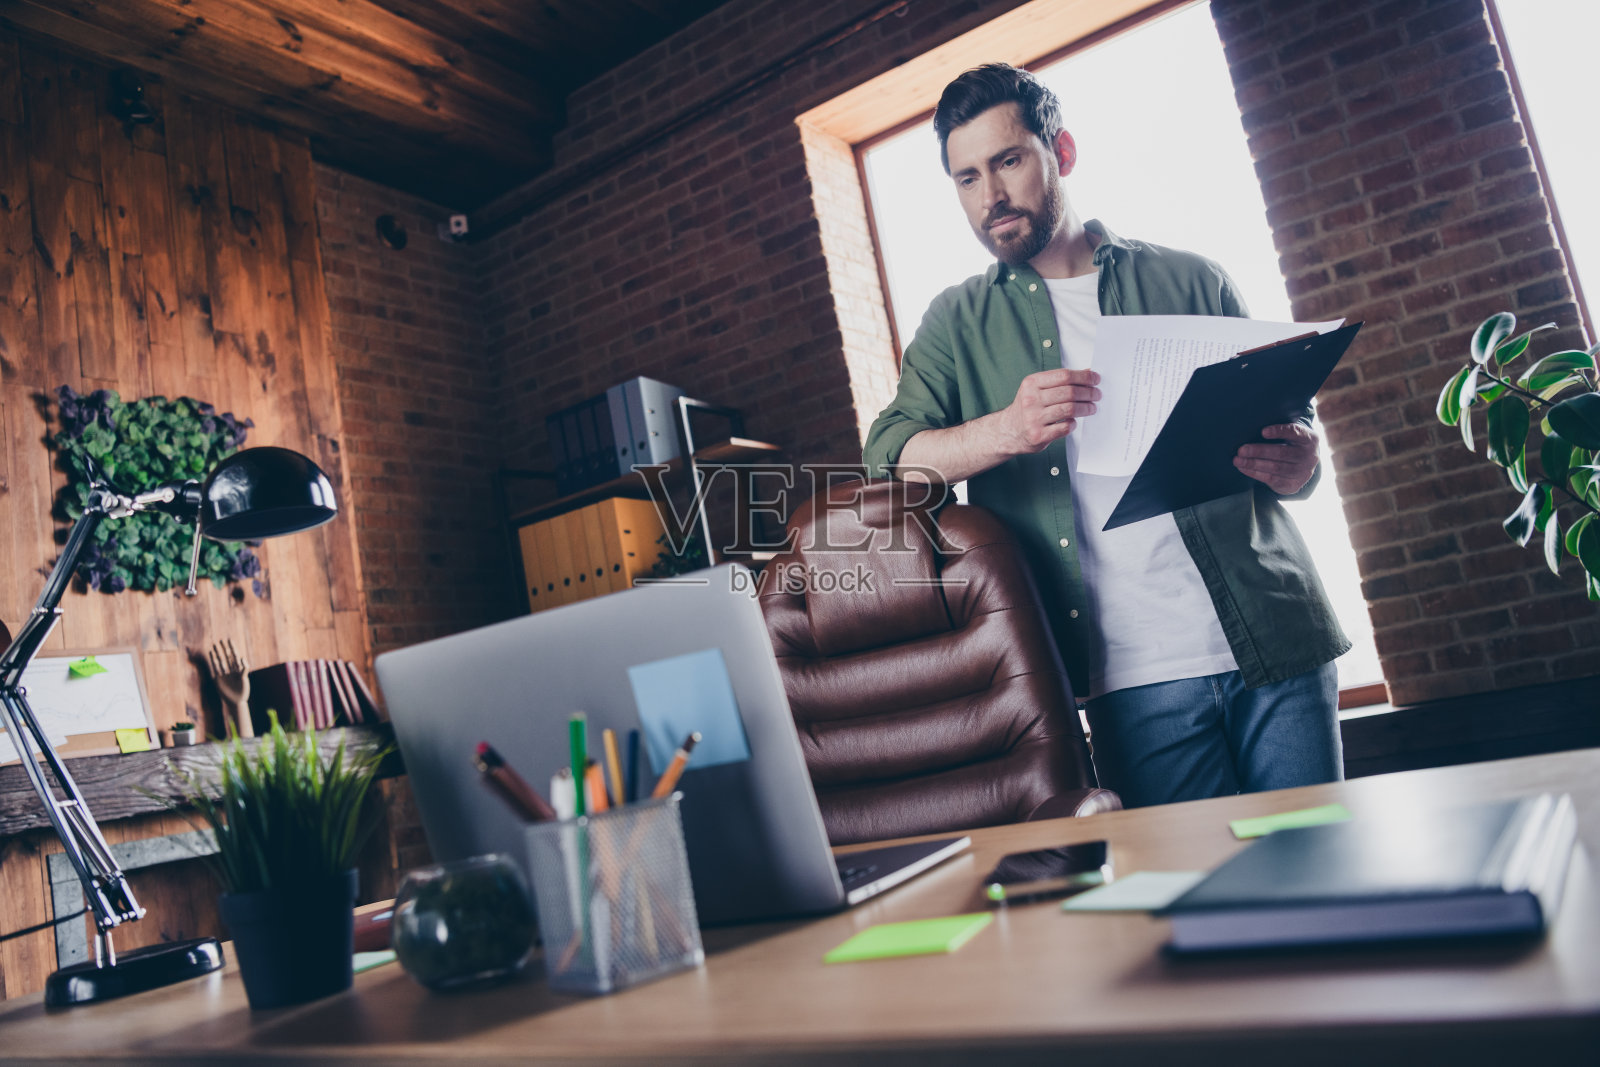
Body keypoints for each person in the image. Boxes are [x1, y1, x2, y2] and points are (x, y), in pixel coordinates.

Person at [863, 63, 1350, 808]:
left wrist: (1300, 462)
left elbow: (1292, 423)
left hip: (1278, 639)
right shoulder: (954, 324)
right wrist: (1004, 430)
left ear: (1061, 153)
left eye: (1008, 161)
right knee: (1196, 908)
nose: (989, 197)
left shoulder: (1193, 279)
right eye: (966, 178)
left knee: (1325, 882)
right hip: (1129, 684)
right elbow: (891, 461)